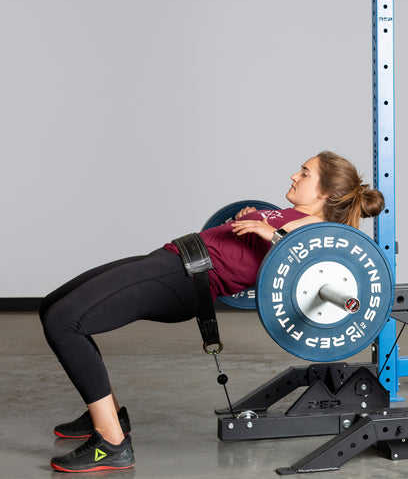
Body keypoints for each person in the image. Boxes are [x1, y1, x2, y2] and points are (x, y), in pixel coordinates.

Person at [39, 151, 384, 472]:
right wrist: (252, 219)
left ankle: (112, 442)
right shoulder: (291, 217)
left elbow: (315, 252)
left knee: (65, 322)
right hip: (171, 258)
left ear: (323, 194)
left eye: (305, 173)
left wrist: (273, 233)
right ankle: (108, 414)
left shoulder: (313, 232)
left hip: (185, 279)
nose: (294, 175)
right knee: (53, 306)